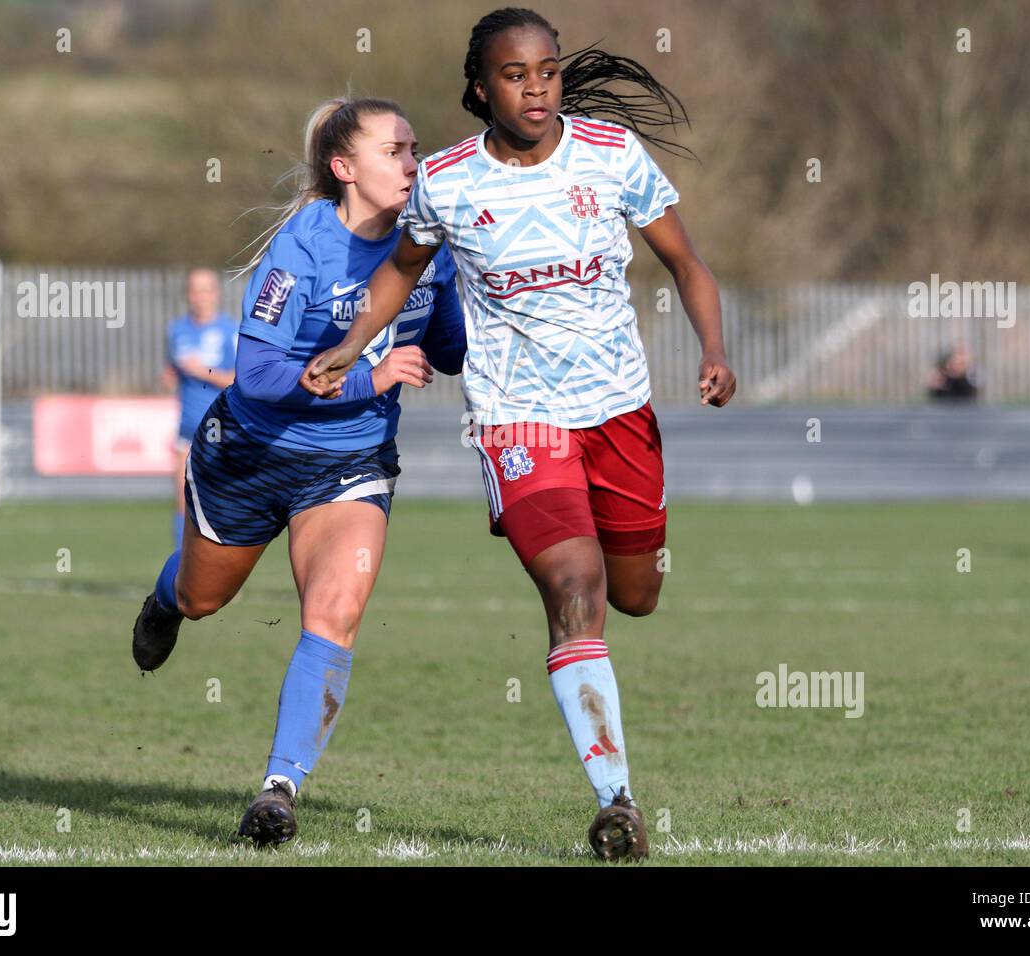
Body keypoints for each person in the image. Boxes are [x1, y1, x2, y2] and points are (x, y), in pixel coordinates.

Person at [301, 7, 736, 862]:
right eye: (514, 74)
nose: (535, 87)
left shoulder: (612, 157)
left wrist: (715, 349)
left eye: (547, 70)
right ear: (480, 88)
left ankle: (605, 673)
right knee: (577, 590)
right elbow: (398, 271)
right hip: (516, 419)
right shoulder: (451, 181)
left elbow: (687, 262)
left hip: (619, 412)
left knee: (635, 592)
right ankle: (617, 801)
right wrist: (352, 345)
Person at [130, 96, 466, 848]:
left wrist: (488, 295)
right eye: (395, 152)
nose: (414, 164)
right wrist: (366, 380)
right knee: (201, 597)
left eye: (417, 149)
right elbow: (254, 375)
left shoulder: (429, 246)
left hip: (348, 466)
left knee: (334, 612)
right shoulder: (304, 247)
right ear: (345, 169)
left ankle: (278, 790)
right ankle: (164, 598)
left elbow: (447, 351)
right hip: (251, 456)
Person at [163, 269, 238, 545]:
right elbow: (172, 371)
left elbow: (238, 379)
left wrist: (202, 370)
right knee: (182, 502)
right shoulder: (176, 331)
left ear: (216, 293)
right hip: (186, 428)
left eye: (206, 290)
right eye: (195, 290)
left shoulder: (230, 331)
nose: (200, 296)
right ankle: (180, 575)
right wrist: (170, 376)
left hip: (220, 429)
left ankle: (223, 582)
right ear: (188, 294)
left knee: (219, 504)